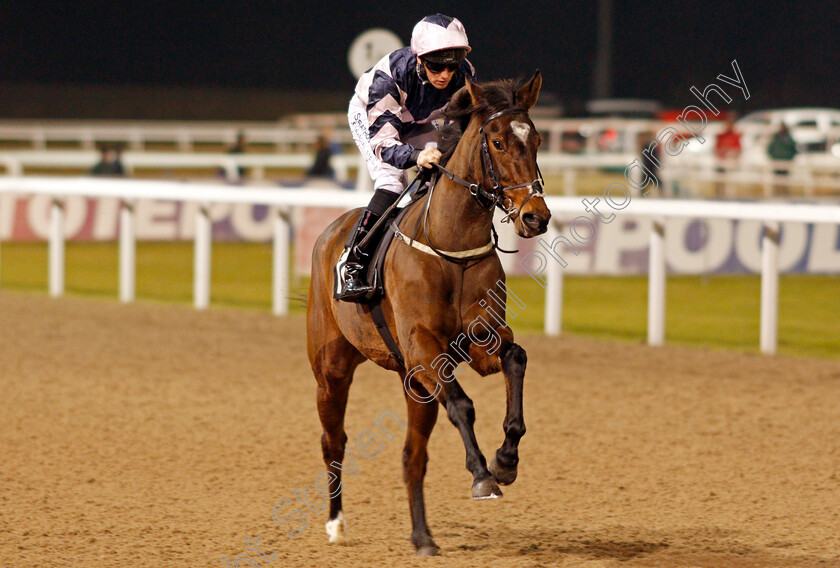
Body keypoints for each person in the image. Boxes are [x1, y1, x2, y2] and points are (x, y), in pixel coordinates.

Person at [335, 13, 475, 301]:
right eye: (437, 66)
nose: (445, 75)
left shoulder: (465, 77)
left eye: (452, 66)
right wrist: (416, 156)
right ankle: (352, 261)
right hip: (372, 116)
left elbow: (458, 128)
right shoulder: (390, 77)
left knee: (443, 173)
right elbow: (385, 144)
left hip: (417, 119)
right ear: (419, 58)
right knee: (393, 182)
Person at [714, 117, 742, 197]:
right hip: (722, 161)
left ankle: (732, 195)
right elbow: (717, 149)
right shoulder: (720, 136)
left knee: (732, 180)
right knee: (720, 178)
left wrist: (733, 156)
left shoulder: (736, 136)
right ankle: (719, 194)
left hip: (732, 161)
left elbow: (738, 149)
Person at [767, 123, 797, 194]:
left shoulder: (788, 138)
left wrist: (789, 157)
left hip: (786, 160)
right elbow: (770, 149)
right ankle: (777, 192)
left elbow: (794, 149)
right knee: (777, 178)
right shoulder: (776, 138)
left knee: (785, 178)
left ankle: (784, 192)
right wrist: (774, 157)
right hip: (777, 160)